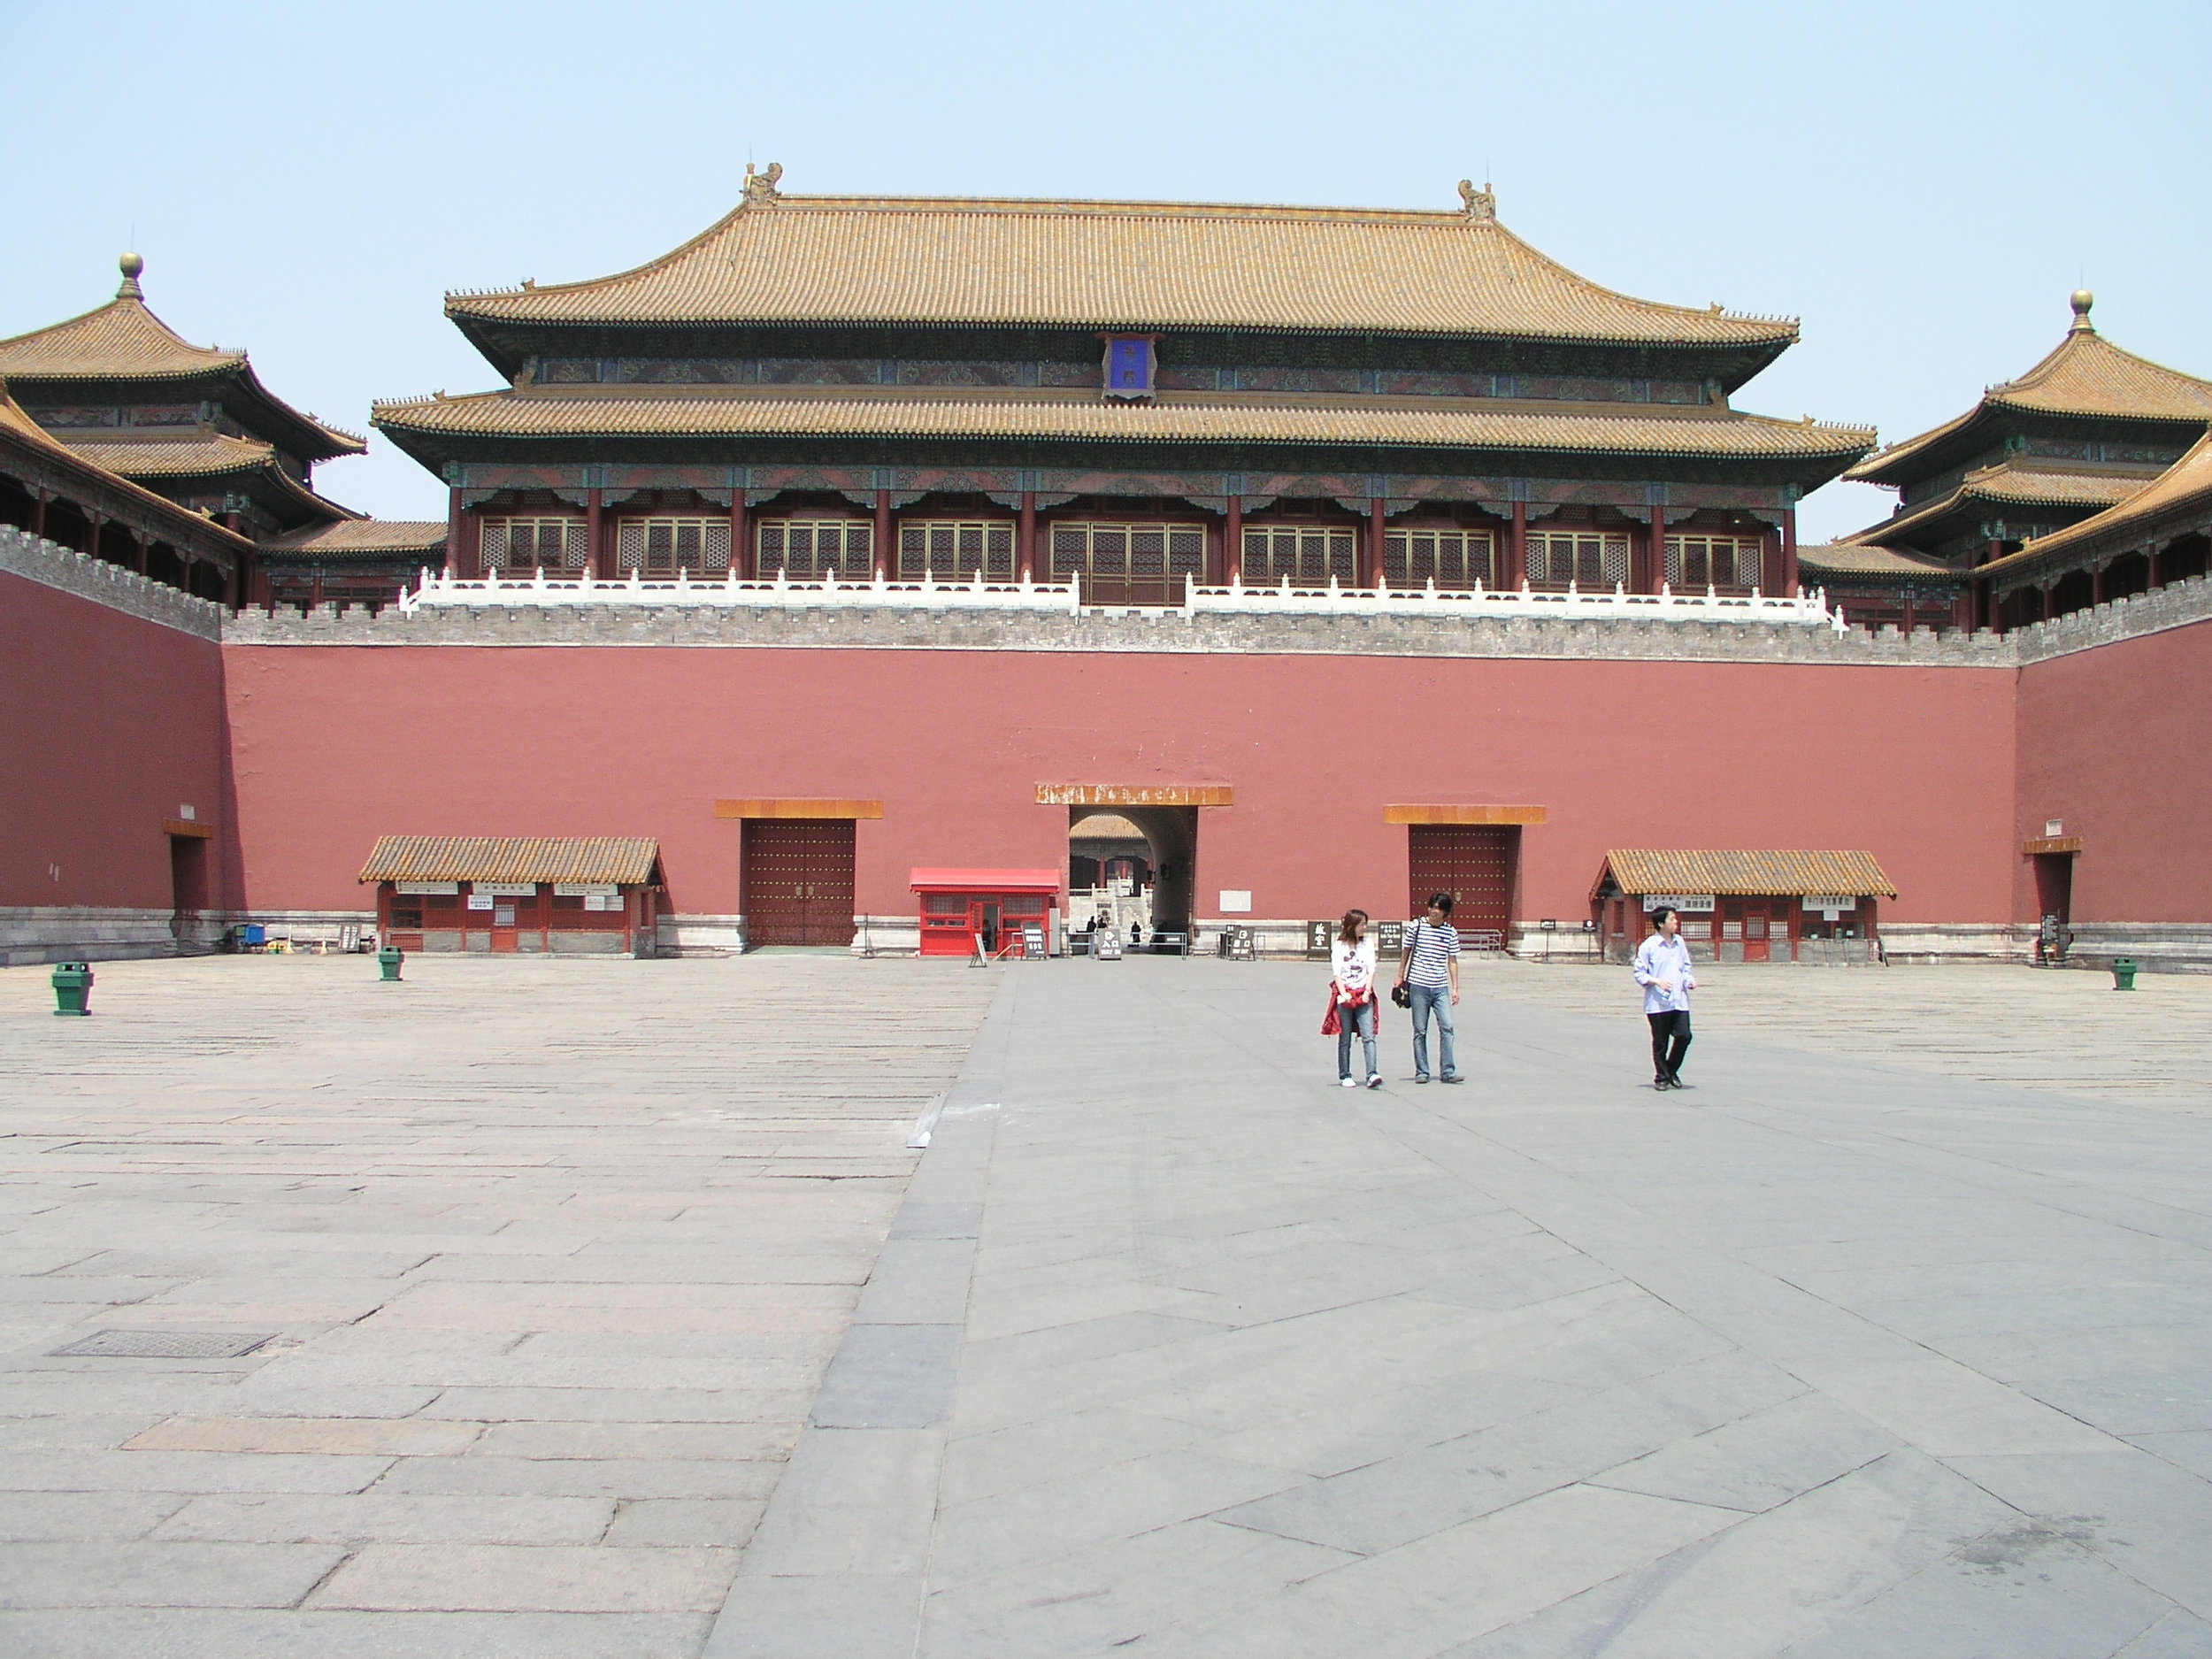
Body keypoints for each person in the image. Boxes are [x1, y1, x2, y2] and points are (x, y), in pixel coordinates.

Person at [1395, 893, 1463, 1083]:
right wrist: (1400, 975)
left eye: (1438, 908)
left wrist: (1455, 987)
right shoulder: (1416, 927)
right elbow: (1406, 951)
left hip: (1440, 986)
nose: (1433, 911)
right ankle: (1422, 1071)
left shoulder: (1450, 932)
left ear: (1445, 912)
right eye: (1432, 907)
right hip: (1418, 985)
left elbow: (1452, 960)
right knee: (1420, 1030)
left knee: (1447, 1026)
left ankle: (1448, 1071)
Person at [1634, 905, 1697, 1088]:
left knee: (1685, 1036)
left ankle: (1671, 1070)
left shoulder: (1679, 943)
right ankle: (1662, 1077)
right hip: (1658, 1003)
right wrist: (1655, 981)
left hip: (1679, 1000)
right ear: (1661, 923)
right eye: (1672, 919)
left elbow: (1685, 967)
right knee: (1661, 1042)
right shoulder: (1649, 946)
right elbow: (1639, 973)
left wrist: (1689, 980)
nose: (1675, 922)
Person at [1331, 909, 1383, 1088]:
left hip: (1363, 993)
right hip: (1345, 994)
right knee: (1345, 1037)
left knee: (1369, 1035)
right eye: (1362, 924)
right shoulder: (1339, 946)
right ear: (1352, 925)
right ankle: (1345, 1074)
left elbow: (1371, 969)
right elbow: (1337, 972)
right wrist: (1343, 993)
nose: (1365, 928)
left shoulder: (1367, 944)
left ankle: (1372, 1073)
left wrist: (1368, 991)